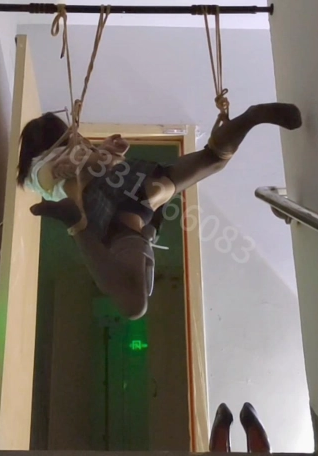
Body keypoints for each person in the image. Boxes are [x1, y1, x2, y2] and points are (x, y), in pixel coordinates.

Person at [18, 103, 302, 319]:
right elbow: (96, 163)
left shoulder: (38, 170)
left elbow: (58, 172)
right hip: (140, 182)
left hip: (112, 205)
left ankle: (76, 224)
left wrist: (88, 160)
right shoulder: (73, 151)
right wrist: (106, 152)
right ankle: (251, 116)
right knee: (213, 158)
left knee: (134, 304)